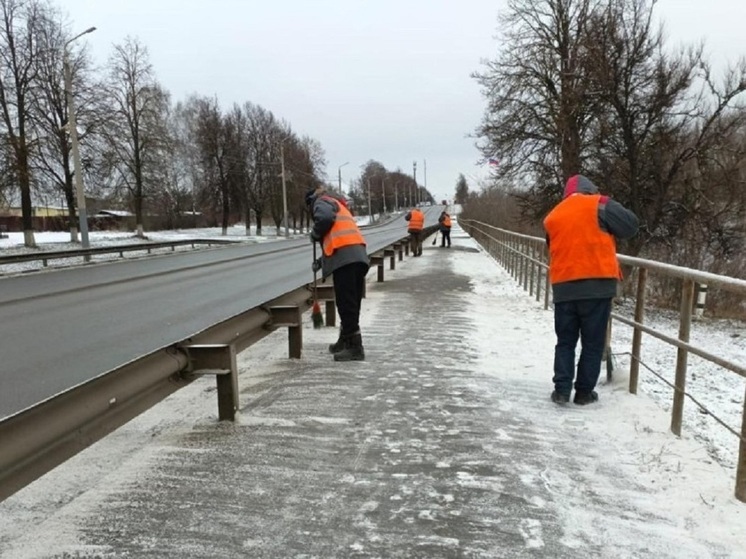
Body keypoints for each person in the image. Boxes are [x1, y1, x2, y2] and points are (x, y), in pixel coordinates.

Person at [543, 174, 639, 405]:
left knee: (565, 341)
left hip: (564, 286)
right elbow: (630, 226)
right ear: (590, 190)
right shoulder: (600, 204)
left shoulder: (553, 215)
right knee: (592, 342)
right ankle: (584, 392)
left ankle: (562, 390)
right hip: (597, 285)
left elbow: (551, 244)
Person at [306, 186, 370, 362]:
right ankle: (345, 340)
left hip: (346, 261)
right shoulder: (338, 205)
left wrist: (315, 233)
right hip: (358, 256)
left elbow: (325, 219)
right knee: (351, 302)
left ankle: (355, 348)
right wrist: (321, 262)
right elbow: (339, 239)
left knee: (346, 303)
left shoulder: (321, 202)